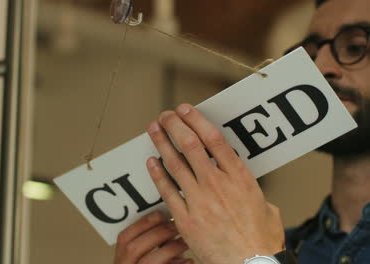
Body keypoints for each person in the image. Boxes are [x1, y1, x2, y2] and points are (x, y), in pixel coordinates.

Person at [113, 0, 370, 263]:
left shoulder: (258, 248)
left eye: (355, 47)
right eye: (309, 54)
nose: (320, 67)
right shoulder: (286, 246)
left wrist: (255, 256)